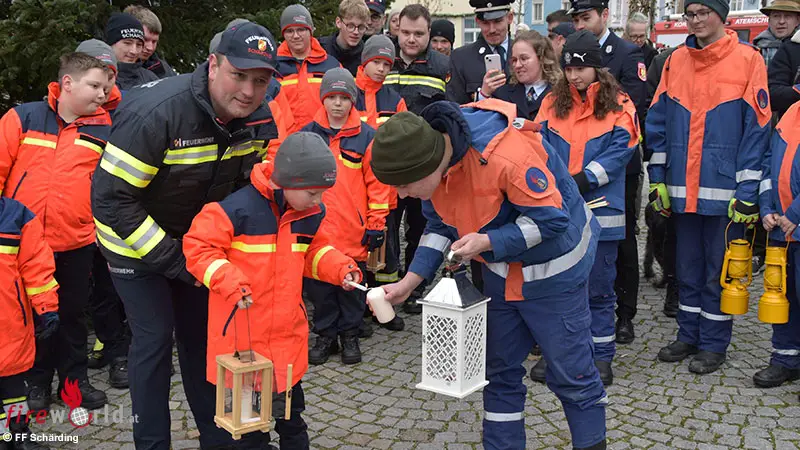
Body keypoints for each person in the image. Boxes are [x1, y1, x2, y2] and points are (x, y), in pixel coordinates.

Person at [370, 100, 607, 450]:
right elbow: (439, 225)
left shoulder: (505, 155)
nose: (401, 195)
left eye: (404, 186)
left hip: (555, 274)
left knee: (574, 375)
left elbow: (552, 220)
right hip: (499, 276)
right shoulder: (433, 158)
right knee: (499, 374)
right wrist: (410, 282)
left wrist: (489, 240)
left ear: (431, 165)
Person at [90, 22, 280, 449]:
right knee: (155, 339)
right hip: (131, 243)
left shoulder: (260, 118)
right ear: (214, 65)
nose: (250, 91)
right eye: (239, 75)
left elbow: (246, 193)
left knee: (205, 340)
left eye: (261, 80)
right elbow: (111, 201)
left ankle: (220, 438)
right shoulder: (157, 113)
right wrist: (177, 262)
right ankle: (152, 441)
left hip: (194, 244)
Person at [183, 132, 362, 449]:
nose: (318, 200)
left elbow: (313, 253)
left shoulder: (309, 214)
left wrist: (341, 269)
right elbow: (198, 249)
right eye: (312, 193)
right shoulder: (236, 210)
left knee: (292, 421)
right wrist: (229, 280)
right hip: (244, 346)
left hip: (286, 346)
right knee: (249, 430)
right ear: (287, 182)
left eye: (322, 193)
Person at [648, 0, 771, 374]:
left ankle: (714, 344)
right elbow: (658, 122)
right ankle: (688, 335)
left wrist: (748, 190)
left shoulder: (749, 60)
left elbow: (757, 130)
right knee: (685, 268)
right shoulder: (675, 61)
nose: (697, 20)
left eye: (704, 13)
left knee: (719, 271)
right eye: (691, 14)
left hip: (725, 191)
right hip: (682, 190)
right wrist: (658, 182)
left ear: (723, 16)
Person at [0, 52, 111, 413]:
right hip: (21, 245)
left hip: (74, 241)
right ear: (67, 83)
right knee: (29, 319)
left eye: (105, 87)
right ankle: (35, 381)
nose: (102, 93)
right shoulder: (21, 117)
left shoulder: (104, 129)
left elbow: (107, 188)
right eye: (94, 85)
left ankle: (74, 382)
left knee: (73, 316)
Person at [532, 30, 639, 386]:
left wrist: (582, 180)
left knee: (599, 289)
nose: (575, 76)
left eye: (582, 68)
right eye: (569, 69)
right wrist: (558, 183)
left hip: (602, 209)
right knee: (558, 288)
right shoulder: (552, 102)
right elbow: (538, 144)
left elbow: (622, 150)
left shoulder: (620, 103)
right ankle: (557, 354)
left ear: (597, 67)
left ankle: (600, 356)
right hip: (562, 210)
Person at [295, 68, 390, 365]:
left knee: (351, 288)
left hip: (352, 228)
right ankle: (326, 335)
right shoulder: (306, 135)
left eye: (344, 97)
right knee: (320, 288)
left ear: (353, 100)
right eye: (332, 97)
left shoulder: (367, 137)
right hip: (317, 230)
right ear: (323, 99)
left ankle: (350, 333)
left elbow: (378, 184)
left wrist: (376, 223)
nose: (337, 104)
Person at [569, 0, 647, 345]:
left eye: (586, 17)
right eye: (577, 19)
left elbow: (632, 118)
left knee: (617, 252)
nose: (574, 75)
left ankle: (622, 319)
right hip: (572, 188)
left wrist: (586, 177)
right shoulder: (562, 95)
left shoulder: (628, 54)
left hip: (610, 183)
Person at [383, 4, 449, 314]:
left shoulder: (442, 66)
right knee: (388, 226)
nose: (411, 39)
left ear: (429, 32)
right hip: (391, 165)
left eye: (418, 34)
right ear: (396, 29)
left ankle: (416, 285)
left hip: (426, 167)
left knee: (422, 226)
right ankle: (391, 282)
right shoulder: (383, 60)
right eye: (405, 32)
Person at [73, 39, 131, 387]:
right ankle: (83, 363)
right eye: (98, 73)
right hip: (73, 227)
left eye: (110, 74)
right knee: (88, 299)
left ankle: (121, 356)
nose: (105, 83)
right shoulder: (60, 113)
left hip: (113, 220)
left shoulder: (125, 113)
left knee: (116, 291)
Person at [354, 35, 408, 331]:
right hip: (354, 190)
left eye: (387, 64)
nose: (382, 69)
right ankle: (359, 306)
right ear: (365, 62)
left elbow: (403, 140)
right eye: (376, 62)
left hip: (385, 188)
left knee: (387, 251)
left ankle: (383, 305)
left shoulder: (393, 98)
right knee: (357, 248)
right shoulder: (348, 95)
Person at [0, 197, 59, 450]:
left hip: (10, 323)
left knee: (14, 385)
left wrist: (46, 307)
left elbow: (36, 264)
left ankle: (19, 434)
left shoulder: (15, 216)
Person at [757, 100, 800, 390]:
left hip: (792, 222)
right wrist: (766, 208)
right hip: (782, 232)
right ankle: (785, 360)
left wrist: (794, 214)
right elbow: (769, 163)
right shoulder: (791, 113)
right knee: (785, 296)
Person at [273, 4, 341, 135]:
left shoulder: (331, 66)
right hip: (284, 141)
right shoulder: (273, 67)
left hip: (324, 140)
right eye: (289, 31)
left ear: (311, 31)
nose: (296, 36)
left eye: (301, 30)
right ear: (283, 34)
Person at [478, 30, 561, 120]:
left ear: (541, 58)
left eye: (524, 58)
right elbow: (484, 122)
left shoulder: (561, 93)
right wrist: (484, 94)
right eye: (514, 60)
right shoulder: (502, 94)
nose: (517, 65)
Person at [447, 0, 513, 105]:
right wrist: (482, 96)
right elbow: (455, 108)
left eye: (497, 21)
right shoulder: (461, 58)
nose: (492, 30)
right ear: (477, 21)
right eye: (485, 23)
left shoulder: (525, 54)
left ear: (510, 18)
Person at [105, 12, 159, 91]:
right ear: (111, 43)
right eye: (127, 43)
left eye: (139, 45)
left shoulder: (150, 79)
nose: (134, 51)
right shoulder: (94, 75)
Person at [123, 4, 177, 78]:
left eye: (154, 42)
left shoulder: (163, 69)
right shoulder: (107, 66)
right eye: (145, 39)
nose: (150, 48)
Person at [320, 0, 369, 76]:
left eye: (361, 27)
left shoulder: (367, 56)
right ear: (338, 22)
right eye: (350, 26)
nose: (356, 32)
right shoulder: (320, 48)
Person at [755, 0, 800, 67]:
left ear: (798, 21)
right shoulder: (756, 50)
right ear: (769, 21)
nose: (781, 21)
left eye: (787, 16)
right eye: (776, 16)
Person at [768, 27, 800, 117]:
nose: (781, 21)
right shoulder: (790, 48)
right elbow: (772, 95)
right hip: (794, 126)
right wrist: (797, 90)